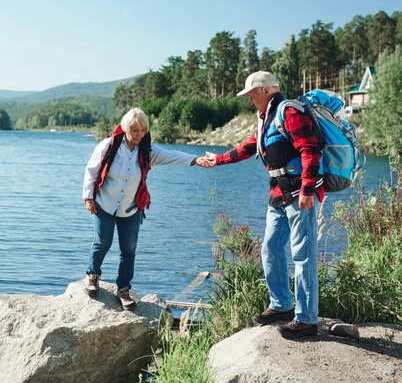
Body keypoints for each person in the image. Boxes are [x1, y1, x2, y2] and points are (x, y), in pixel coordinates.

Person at [198, 71, 323, 339]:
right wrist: (217, 159)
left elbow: (310, 151)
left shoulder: (289, 112)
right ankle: (281, 306)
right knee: (270, 249)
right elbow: (247, 147)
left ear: (265, 90)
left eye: (252, 94)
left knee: (303, 256)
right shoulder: (267, 119)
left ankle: (307, 320)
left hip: (299, 193)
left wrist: (308, 189)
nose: (250, 100)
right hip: (277, 195)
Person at [82, 108, 204, 310]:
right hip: (104, 203)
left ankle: (123, 289)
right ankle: (92, 276)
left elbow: (172, 156)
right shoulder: (108, 146)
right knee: (103, 241)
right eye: (134, 130)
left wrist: (195, 160)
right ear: (125, 127)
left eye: (142, 130)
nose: (139, 134)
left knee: (128, 248)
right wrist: (88, 197)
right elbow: (91, 171)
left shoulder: (147, 151)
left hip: (131, 207)